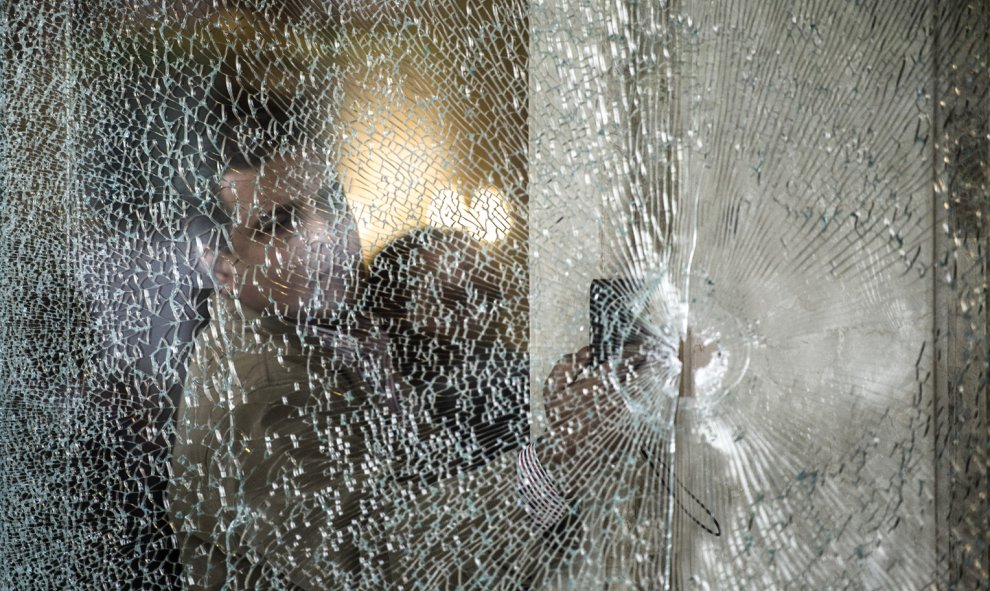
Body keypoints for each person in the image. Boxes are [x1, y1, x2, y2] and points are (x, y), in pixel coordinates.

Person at [168, 150, 643, 589]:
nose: (323, 234)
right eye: (279, 224)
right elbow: (377, 565)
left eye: (331, 205)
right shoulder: (258, 385)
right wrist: (558, 461)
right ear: (223, 269)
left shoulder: (340, 339)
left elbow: (413, 477)